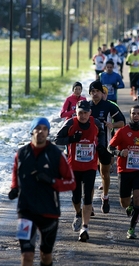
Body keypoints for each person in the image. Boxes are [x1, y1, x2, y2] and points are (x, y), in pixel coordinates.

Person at [8, 117, 76, 266]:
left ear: (48, 132)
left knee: (45, 256)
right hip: (25, 211)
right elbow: (15, 172)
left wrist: (52, 182)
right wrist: (14, 188)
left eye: (44, 129)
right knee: (26, 255)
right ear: (32, 131)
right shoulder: (21, 154)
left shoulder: (56, 155)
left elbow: (71, 183)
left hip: (49, 211)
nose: (41, 132)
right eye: (38, 128)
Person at [54, 100, 106, 242]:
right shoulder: (70, 123)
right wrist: (71, 139)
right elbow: (57, 139)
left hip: (90, 166)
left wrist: (101, 146)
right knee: (76, 197)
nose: (82, 116)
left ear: (90, 113)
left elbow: (102, 135)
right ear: (76, 112)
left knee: (87, 196)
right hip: (74, 166)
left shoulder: (95, 123)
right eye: (80, 113)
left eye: (85, 113)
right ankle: (78, 213)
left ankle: (85, 227)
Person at [107, 105, 139, 239]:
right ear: (130, 115)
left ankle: (132, 229)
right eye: (134, 113)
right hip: (124, 170)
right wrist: (119, 152)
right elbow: (110, 147)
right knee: (124, 203)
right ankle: (130, 205)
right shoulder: (122, 132)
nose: (136, 116)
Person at [88, 80, 125, 213]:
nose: (95, 94)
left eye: (97, 91)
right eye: (92, 92)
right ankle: (89, 204)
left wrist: (112, 125)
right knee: (89, 176)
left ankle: (105, 197)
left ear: (101, 92)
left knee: (104, 173)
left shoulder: (109, 106)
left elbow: (122, 122)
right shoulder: (87, 107)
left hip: (106, 145)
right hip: (89, 147)